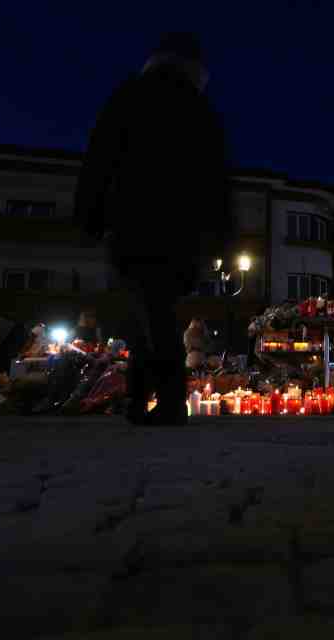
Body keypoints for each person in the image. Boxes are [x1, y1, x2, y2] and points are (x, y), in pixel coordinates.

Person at [75, 33, 232, 425]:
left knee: (143, 311)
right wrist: (220, 232)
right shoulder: (199, 109)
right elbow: (217, 177)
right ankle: (155, 399)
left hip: (133, 219)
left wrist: (90, 214)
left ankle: (154, 400)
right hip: (182, 228)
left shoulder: (129, 97)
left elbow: (100, 157)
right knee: (158, 311)